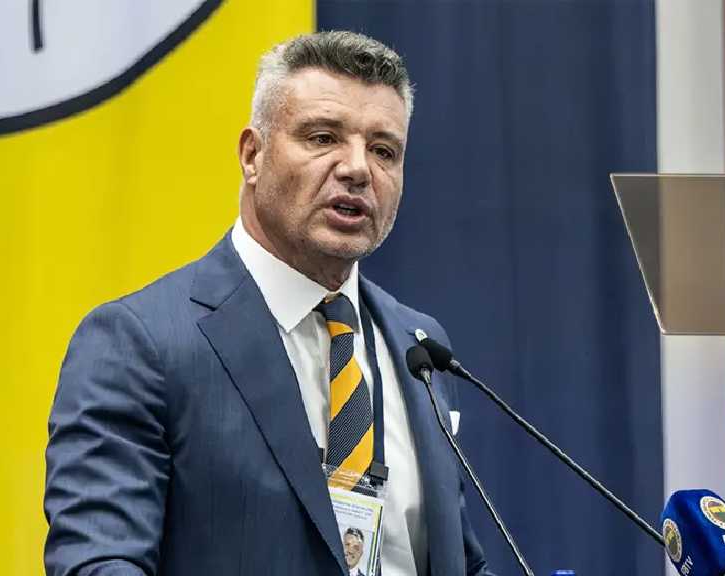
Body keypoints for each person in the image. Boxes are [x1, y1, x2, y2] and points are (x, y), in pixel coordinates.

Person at [44, 31, 493, 576]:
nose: (358, 169)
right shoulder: (139, 345)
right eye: (323, 137)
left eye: (383, 151)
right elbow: (99, 563)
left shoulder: (419, 348)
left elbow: (456, 561)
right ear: (252, 155)